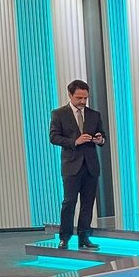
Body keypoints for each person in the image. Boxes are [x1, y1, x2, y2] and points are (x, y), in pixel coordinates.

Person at [49, 79, 107, 250]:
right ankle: (64, 237)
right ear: (70, 95)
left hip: (91, 165)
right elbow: (53, 137)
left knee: (88, 204)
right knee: (69, 203)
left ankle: (84, 237)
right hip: (71, 165)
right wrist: (75, 141)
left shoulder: (94, 114)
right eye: (79, 98)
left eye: (85, 98)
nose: (82, 101)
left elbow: (103, 136)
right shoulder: (59, 114)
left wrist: (100, 139)